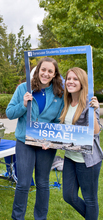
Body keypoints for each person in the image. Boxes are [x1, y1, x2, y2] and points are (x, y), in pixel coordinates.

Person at [6, 57, 64, 220]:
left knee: (43, 183)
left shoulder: (59, 93)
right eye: (43, 69)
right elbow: (9, 113)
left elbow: (58, 120)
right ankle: (17, 217)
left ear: (54, 74)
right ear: (37, 70)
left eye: (50, 71)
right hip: (25, 142)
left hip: (46, 144)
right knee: (24, 183)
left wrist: (50, 141)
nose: (45, 73)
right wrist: (23, 104)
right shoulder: (24, 88)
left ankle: (40, 217)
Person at [59, 67, 103, 219]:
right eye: (69, 78)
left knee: (90, 199)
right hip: (70, 157)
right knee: (68, 196)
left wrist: (94, 110)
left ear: (82, 82)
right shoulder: (66, 103)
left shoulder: (89, 103)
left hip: (88, 160)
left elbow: (96, 132)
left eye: (75, 79)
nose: (70, 81)